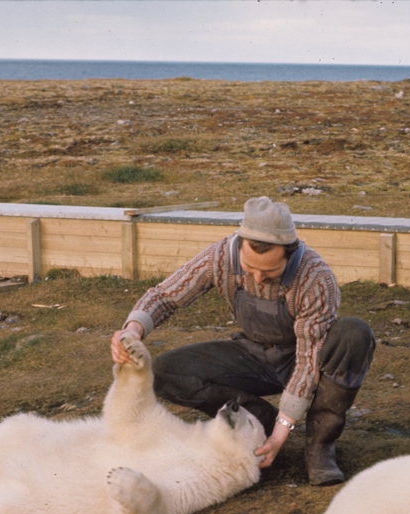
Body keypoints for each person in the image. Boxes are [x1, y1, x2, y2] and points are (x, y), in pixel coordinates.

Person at [110, 196, 375, 486]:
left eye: (270, 271)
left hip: (304, 357)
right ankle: (259, 420)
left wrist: (282, 432)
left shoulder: (315, 278)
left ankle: (319, 444)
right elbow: (166, 295)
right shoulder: (222, 256)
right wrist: (133, 330)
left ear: (290, 253)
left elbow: (307, 363)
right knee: (163, 371)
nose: (259, 278)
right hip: (252, 354)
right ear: (240, 245)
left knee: (354, 334)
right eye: (250, 269)